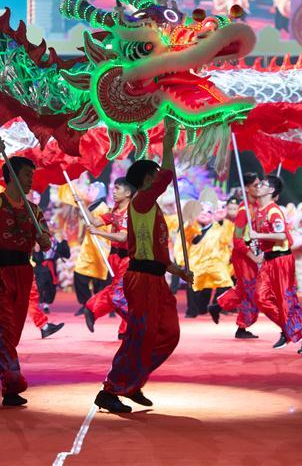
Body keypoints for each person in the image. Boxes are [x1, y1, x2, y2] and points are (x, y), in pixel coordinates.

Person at [94, 126, 193, 414]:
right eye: (156, 174)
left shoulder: (151, 208)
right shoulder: (142, 201)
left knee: (168, 334)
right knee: (140, 335)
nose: (160, 177)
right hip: (141, 280)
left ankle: (133, 381)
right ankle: (111, 389)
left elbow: (157, 254)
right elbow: (168, 174)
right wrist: (169, 140)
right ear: (148, 179)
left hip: (156, 278)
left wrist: (179, 271)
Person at [0, 138, 52, 407]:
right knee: (2, 327)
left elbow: (46, 238)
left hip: (22, 272)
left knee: (10, 332)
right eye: (27, 175)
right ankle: (12, 385)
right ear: (12, 177)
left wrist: (45, 240)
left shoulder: (34, 210)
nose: (31, 180)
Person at [250, 175, 302, 353]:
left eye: (263, 184)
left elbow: (282, 235)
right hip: (268, 260)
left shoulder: (274, 212)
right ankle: (288, 329)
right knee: (261, 298)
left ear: (271, 191)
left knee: (286, 301)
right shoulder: (259, 212)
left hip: (281, 260)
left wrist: (259, 236)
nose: (258, 186)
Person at [83, 178, 133, 336]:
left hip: (129, 259)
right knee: (122, 294)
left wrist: (97, 232)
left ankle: (93, 309)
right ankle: (127, 329)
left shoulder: (129, 212)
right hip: (116, 258)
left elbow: (123, 237)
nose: (114, 191)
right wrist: (82, 204)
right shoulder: (115, 211)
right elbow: (94, 221)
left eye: (117, 188)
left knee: (118, 295)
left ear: (128, 192)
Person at [211, 193, 261, 338]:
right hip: (244, 255)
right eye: (256, 185)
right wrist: (251, 255)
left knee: (243, 289)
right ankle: (242, 326)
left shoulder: (256, 208)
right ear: (248, 188)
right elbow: (238, 239)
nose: (258, 188)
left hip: (251, 254)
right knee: (250, 290)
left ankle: (217, 306)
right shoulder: (244, 211)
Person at [180, 201, 234, 319]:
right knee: (193, 285)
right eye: (201, 210)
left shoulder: (219, 230)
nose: (204, 213)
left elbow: (228, 245)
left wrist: (226, 260)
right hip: (195, 264)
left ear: (213, 215)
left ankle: (215, 305)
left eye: (209, 212)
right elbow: (181, 244)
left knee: (226, 282)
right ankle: (192, 311)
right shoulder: (189, 226)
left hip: (213, 263)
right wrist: (182, 262)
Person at [71, 185, 111, 315]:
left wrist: (82, 205)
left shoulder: (103, 208)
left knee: (100, 280)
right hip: (89, 248)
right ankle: (87, 304)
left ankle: (103, 307)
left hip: (100, 248)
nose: (87, 192)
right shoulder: (91, 206)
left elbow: (93, 222)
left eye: (90, 190)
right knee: (80, 274)